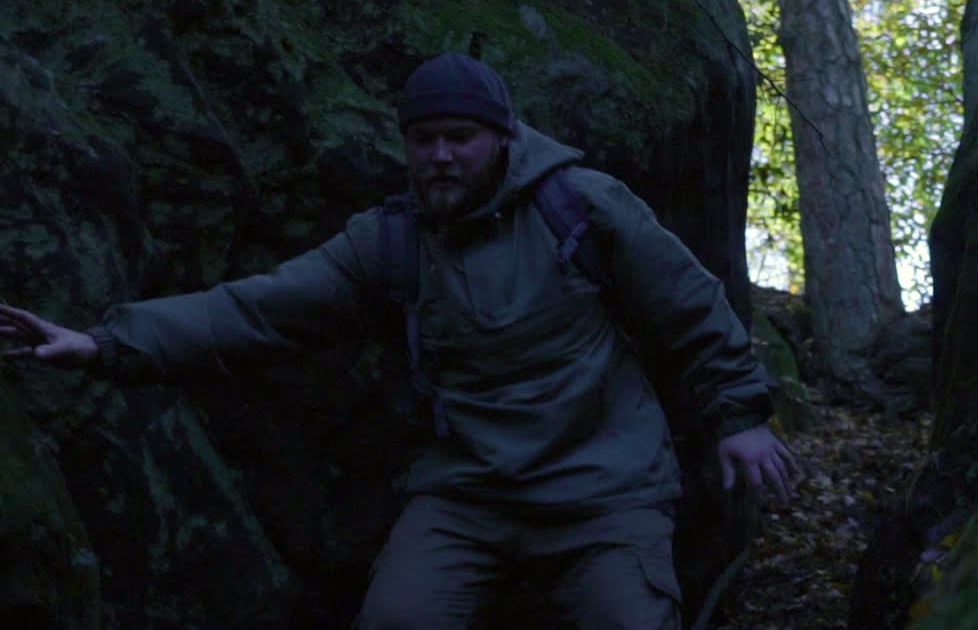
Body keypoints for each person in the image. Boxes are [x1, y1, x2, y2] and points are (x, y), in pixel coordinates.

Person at [0, 53, 800, 629]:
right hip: (466, 498)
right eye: (425, 140)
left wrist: (740, 415)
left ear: (501, 138)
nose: (442, 155)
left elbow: (688, 304)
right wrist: (106, 344)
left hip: (606, 492)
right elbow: (257, 309)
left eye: (460, 136)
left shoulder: (582, 207)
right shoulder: (385, 242)